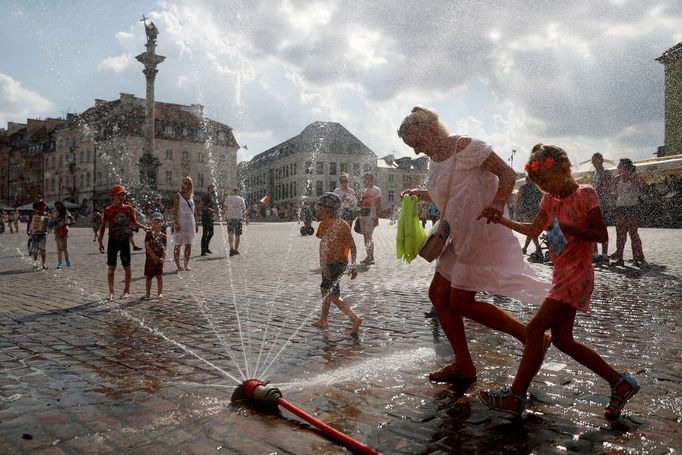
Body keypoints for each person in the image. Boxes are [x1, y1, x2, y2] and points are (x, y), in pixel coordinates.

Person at [478, 143, 640, 418]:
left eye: (546, 181)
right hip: (561, 274)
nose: (544, 188)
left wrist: (567, 227)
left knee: (533, 330)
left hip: (577, 275)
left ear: (564, 170)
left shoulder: (585, 194)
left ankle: (515, 397)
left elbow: (601, 234)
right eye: (539, 184)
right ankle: (620, 383)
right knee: (563, 340)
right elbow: (533, 229)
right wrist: (502, 220)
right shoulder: (549, 201)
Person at [397, 106, 549, 383]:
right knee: (438, 296)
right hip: (458, 235)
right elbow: (451, 193)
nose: (417, 151)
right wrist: (420, 194)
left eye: (417, 143)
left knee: (461, 301)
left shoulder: (468, 147)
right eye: (412, 147)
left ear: (430, 130)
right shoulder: (435, 159)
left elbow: (507, 174)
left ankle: (530, 337)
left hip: (482, 232)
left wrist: (498, 204)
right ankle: (464, 364)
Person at [311, 193, 362, 337]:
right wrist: (353, 265)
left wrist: (325, 267)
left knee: (332, 295)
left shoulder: (325, 224)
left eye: (319, 209)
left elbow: (324, 247)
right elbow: (352, 245)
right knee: (324, 290)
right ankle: (323, 320)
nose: (317, 211)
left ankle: (355, 319)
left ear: (327, 211)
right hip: (341, 263)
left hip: (330, 264)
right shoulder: (344, 224)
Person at [98, 184, 149, 300]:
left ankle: (127, 291)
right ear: (113, 196)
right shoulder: (108, 210)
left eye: (124, 195)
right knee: (111, 267)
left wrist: (144, 227)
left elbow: (134, 223)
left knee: (127, 266)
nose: (122, 197)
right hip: (113, 241)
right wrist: (100, 242)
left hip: (125, 241)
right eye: (120, 195)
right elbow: (102, 227)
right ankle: (111, 292)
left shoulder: (128, 209)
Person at [611, 158, 646, 267]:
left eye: (619, 166)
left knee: (633, 233)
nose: (617, 168)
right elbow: (612, 190)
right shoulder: (617, 178)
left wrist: (630, 178)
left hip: (632, 207)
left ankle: (636, 258)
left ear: (625, 167)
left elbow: (642, 188)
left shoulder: (635, 176)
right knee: (620, 233)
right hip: (621, 207)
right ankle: (620, 258)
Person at [591, 153, 613, 265]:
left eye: (598, 160)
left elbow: (608, 187)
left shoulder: (606, 172)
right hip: (595, 204)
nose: (595, 163)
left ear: (602, 161)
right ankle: (595, 253)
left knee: (603, 229)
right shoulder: (594, 173)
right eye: (594, 161)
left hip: (604, 204)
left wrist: (598, 189)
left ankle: (604, 254)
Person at [172, 176, 198, 272]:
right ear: (182, 184)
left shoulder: (192, 196)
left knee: (188, 244)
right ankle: (178, 265)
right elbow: (175, 210)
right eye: (185, 183)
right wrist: (176, 223)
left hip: (190, 222)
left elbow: (193, 211)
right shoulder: (178, 195)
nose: (187, 185)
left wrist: (196, 224)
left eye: (189, 183)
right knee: (178, 244)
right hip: (181, 220)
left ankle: (186, 264)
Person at [516, 177, 544, 261]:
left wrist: (518, 212)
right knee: (531, 230)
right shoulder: (538, 188)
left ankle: (537, 248)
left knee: (531, 230)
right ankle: (525, 248)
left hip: (527, 211)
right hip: (536, 211)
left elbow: (519, 200)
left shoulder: (523, 188)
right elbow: (542, 199)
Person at [358, 173, 382, 265]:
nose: (364, 181)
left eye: (365, 179)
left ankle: (371, 257)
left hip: (371, 216)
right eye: (363, 180)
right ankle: (368, 255)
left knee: (369, 236)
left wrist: (376, 218)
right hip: (363, 216)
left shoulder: (376, 190)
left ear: (370, 179)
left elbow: (378, 205)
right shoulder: (364, 190)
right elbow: (362, 204)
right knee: (365, 236)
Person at [144, 212, 167, 300]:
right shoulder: (149, 234)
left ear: (162, 223)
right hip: (150, 260)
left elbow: (164, 248)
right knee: (149, 277)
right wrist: (155, 257)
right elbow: (147, 247)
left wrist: (162, 258)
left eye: (159, 222)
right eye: (154, 222)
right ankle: (148, 293)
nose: (156, 224)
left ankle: (160, 292)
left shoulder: (163, 236)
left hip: (159, 260)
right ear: (151, 223)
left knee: (159, 276)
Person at [223, 188, 247, 256]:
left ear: (232, 192)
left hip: (230, 218)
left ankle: (231, 248)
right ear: (237, 192)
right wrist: (245, 218)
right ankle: (236, 249)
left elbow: (225, 208)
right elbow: (244, 209)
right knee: (237, 235)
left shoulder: (228, 198)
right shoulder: (241, 199)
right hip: (239, 218)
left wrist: (225, 216)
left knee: (230, 234)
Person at [27, 200, 50, 270]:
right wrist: (28, 230)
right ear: (38, 207)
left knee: (43, 249)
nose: (42, 208)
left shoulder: (46, 214)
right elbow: (29, 222)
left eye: (43, 206)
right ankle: (36, 263)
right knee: (35, 250)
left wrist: (48, 217)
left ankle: (43, 264)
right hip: (35, 234)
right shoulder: (34, 214)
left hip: (43, 234)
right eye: (41, 206)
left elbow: (49, 221)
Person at [53, 200, 74, 269]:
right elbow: (54, 221)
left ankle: (67, 260)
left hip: (65, 230)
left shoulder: (67, 212)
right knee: (59, 248)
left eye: (59, 205)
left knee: (65, 248)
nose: (58, 207)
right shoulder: (55, 213)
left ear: (62, 205)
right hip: (57, 230)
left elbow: (72, 221)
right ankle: (60, 263)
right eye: (56, 205)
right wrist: (56, 219)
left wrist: (68, 223)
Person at [199, 184, 218, 256]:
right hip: (205, 216)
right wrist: (208, 209)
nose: (214, 189)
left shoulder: (212, 196)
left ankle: (206, 248)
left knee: (211, 233)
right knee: (205, 233)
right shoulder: (206, 195)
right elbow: (200, 205)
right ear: (209, 188)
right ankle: (202, 251)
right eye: (213, 188)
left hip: (210, 217)